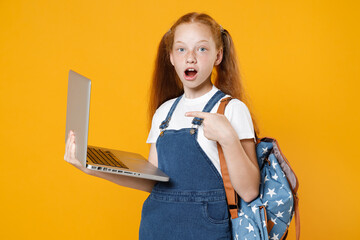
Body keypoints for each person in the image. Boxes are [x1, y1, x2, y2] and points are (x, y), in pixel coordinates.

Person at [64, 12, 260, 240]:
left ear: (218, 55)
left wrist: (228, 137)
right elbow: (153, 182)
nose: (190, 58)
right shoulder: (163, 113)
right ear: (171, 58)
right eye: (181, 49)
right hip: (157, 227)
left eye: (202, 49)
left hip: (206, 230)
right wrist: (90, 167)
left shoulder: (232, 109)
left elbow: (249, 191)